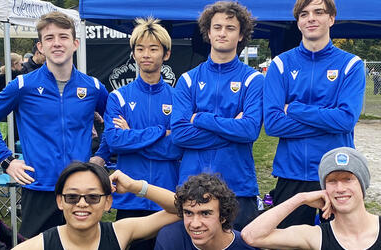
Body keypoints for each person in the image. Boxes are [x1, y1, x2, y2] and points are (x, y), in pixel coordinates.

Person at [0, 11, 109, 238]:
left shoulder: (94, 88)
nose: (57, 43)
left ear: (75, 43)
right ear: (41, 46)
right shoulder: (23, 85)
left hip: (80, 191)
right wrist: (7, 161)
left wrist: (102, 155)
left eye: (63, 37)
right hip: (39, 188)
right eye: (49, 38)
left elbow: (115, 124)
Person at [263, 0, 366, 228]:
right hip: (291, 173)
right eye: (304, 14)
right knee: (289, 242)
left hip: (336, 174)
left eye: (319, 12)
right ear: (298, 22)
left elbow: (346, 119)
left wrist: (294, 109)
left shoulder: (351, 65)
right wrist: (329, 118)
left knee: (338, 241)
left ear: (331, 18)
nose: (311, 18)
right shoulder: (280, 65)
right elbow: (272, 124)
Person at [170, 1, 264, 230]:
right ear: (208, 33)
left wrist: (200, 118)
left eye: (230, 28)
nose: (223, 33)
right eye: (217, 27)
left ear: (241, 35)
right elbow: (180, 134)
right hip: (193, 189)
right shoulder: (188, 79)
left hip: (238, 187)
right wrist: (233, 127)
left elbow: (250, 130)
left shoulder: (254, 80)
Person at [97, 17, 182, 250]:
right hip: (129, 196)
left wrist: (132, 136)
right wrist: (159, 132)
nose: (146, 54)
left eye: (153, 49)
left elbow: (178, 145)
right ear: (133, 54)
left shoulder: (178, 97)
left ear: (166, 54)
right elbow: (114, 141)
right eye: (140, 49)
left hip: (167, 195)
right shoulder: (118, 97)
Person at [13, 162, 179, 250]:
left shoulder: (120, 233)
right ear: (60, 201)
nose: (82, 203)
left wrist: (136, 187)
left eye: (93, 197)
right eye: (72, 197)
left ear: (107, 202)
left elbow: (181, 210)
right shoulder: (40, 245)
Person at [242, 147, 381, 249]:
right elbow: (251, 236)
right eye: (332, 181)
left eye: (348, 179)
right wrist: (300, 198)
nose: (340, 188)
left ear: (363, 184)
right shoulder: (317, 236)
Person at [155, 173, 256, 250]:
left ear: (223, 216)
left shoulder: (246, 246)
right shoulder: (170, 239)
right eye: (188, 213)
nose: (195, 224)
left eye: (205, 213)